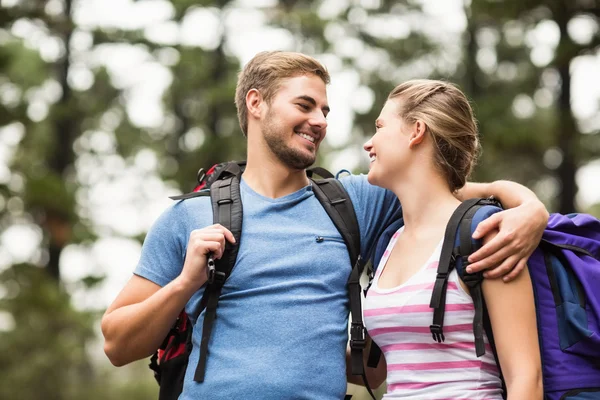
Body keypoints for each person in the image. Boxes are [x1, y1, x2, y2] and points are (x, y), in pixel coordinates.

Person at [101, 51, 548, 399]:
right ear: (256, 104)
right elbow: (117, 345)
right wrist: (183, 284)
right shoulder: (191, 217)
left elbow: (444, 190)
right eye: (305, 105)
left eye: (326, 111)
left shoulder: (354, 201)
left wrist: (529, 207)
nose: (320, 121)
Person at [350, 79, 543, 399]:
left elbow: (527, 379)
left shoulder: (484, 234)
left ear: (416, 131)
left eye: (380, 127)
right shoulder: (389, 241)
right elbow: (380, 370)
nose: (369, 143)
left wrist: (531, 208)